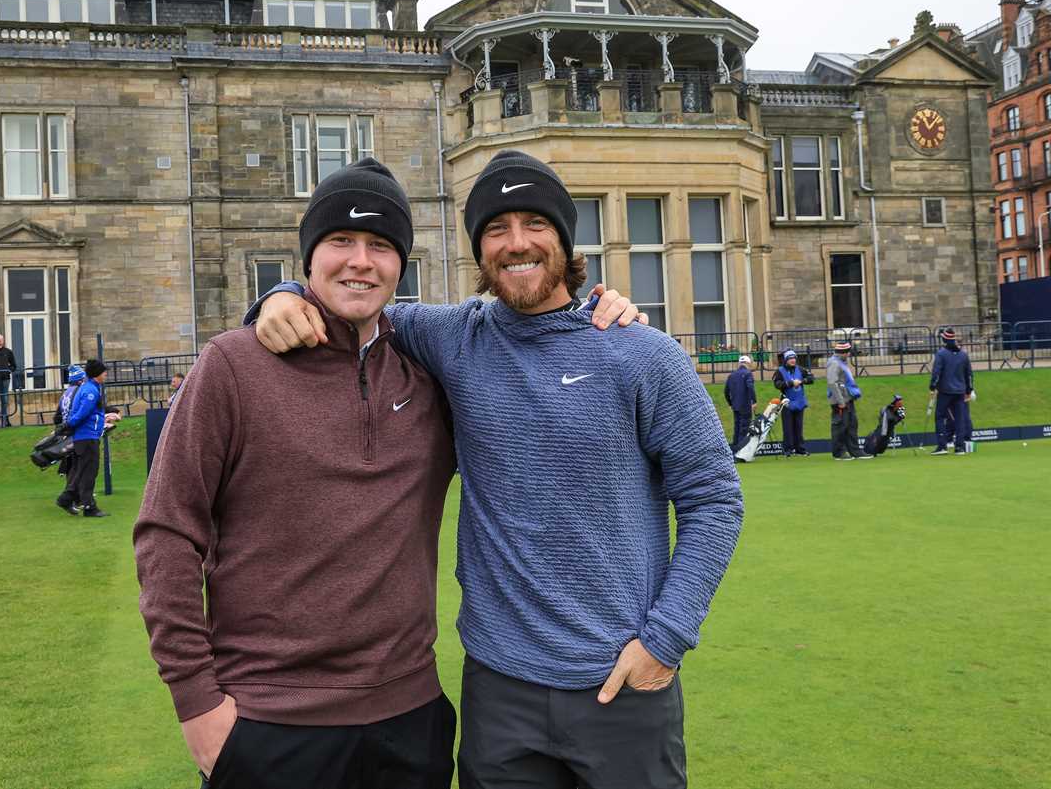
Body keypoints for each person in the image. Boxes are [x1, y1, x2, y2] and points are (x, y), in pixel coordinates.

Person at [250, 149, 743, 789]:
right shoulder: (454, 336)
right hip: (498, 688)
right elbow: (354, 298)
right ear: (478, 251)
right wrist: (281, 294)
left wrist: (665, 640)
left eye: (535, 224)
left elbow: (713, 500)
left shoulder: (640, 353)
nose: (516, 244)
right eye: (495, 229)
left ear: (565, 239)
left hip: (621, 685)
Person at [135, 159, 462, 789]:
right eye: (340, 241)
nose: (360, 261)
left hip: (410, 716)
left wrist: (600, 312)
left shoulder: (427, 376)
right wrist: (197, 704)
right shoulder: (232, 364)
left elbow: (518, 330)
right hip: (268, 723)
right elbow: (167, 533)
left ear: (403, 264)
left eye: (381, 246)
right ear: (309, 257)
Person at [63, 359, 116, 518]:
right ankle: (84, 505)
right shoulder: (91, 391)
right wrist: (69, 424)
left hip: (85, 436)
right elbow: (83, 413)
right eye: (103, 371)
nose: (106, 374)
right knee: (88, 472)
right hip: (87, 437)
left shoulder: (89, 388)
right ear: (97, 374)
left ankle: (72, 500)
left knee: (82, 472)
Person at [929, 328, 975, 455]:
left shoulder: (941, 354)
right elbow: (969, 375)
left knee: (940, 417)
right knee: (960, 419)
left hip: (945, 391)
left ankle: (942, 446)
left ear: (944, 339)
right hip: (960, 392)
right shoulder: (963, 355)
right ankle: (959, 447)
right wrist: (969, 390)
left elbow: (936, 373)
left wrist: (932, 387)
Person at [825, 340, 871, 461]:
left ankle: (855, 451)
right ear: (843, 352)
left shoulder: (841, 362)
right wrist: (840, 401)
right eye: (848, 352)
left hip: (847, 398)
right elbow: (832, 383)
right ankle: (839, 453)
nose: (849, 354)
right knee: (840, 426)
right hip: (840, 401)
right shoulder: (834, 363)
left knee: (851, 425)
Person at [53, 364, 86, 515]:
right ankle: (69, 500)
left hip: (67, 434)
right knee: (76, 468)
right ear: (80, 380)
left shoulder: (65, 394)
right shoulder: (79, 392)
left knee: (72, 467)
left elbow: (56, 417)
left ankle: (76, 498)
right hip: (77, 433)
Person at [772, 349, 814, 456]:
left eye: (794, 358)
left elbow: (811, 378)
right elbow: (777, 384)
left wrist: (803, 381)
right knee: (788, 427)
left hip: (799, 401)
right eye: (790, 359)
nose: (792, 361)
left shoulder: (800, 369)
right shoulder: (780, 371)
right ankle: (788, 449)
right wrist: (790, 383)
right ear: (786, 360)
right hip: (787, 402)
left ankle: (800, 448)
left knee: (798, 427)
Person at [723, 355, 756, 454]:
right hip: (745, 405)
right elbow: (750, 387)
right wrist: (754, 401)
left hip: (735, 406)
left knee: (736, 429)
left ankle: (734, 451)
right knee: (744, 429)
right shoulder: (748, 374)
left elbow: (726, 391)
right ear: (748, 363)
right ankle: (741, 452)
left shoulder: (732, 375)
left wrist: (730, 403)